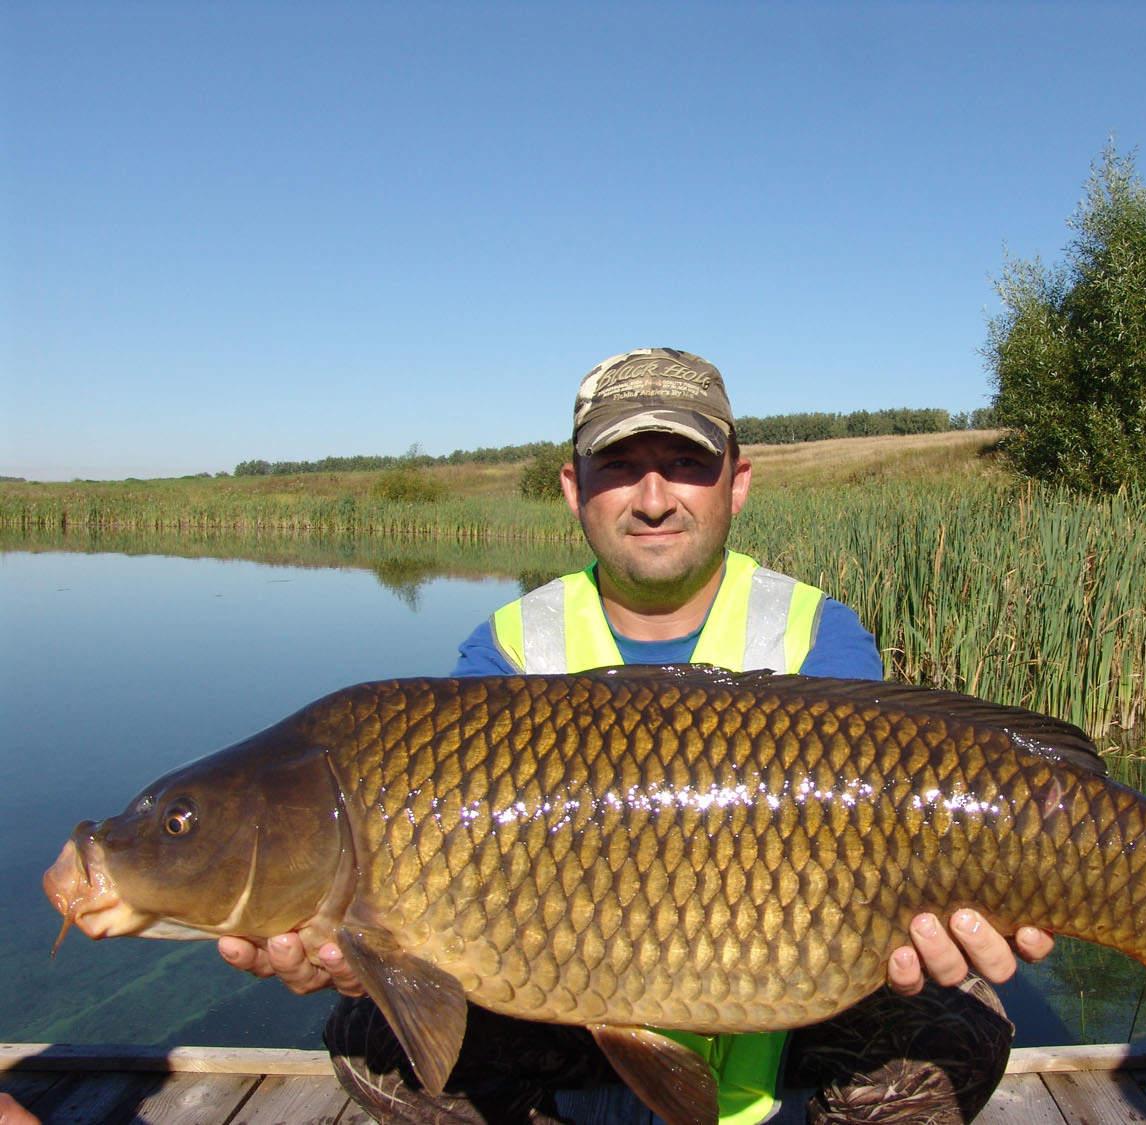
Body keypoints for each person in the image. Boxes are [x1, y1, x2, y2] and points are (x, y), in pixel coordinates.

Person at [219, 348, 1054, 1123]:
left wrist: (948, 916)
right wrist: (363, 958)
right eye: (619, 467)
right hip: (571, 1012)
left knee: (959, 1023)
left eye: (687, 464)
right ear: (573, 489)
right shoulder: (509, 649)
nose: (654, 497)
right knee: (373, 1038)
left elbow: (896, 828)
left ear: (739, 483)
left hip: (788, 1003)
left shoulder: (813, 634)